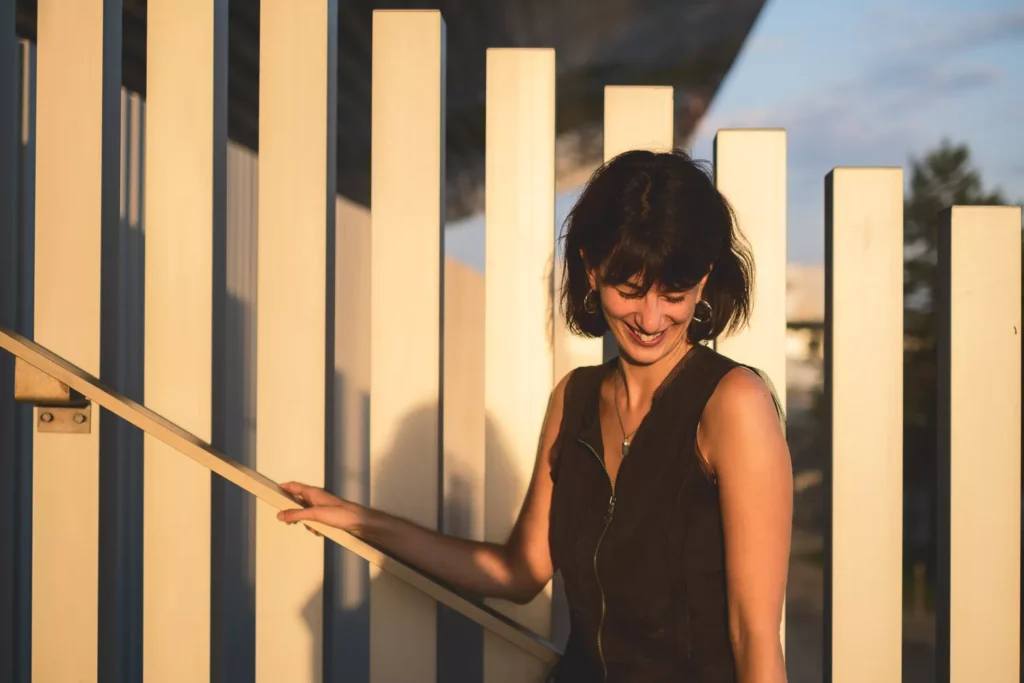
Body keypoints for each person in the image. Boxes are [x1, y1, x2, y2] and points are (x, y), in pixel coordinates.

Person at [277, 149, 793, 682]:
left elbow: (753, 636)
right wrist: (361, 520)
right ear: (591, 270)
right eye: (630, 290)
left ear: (704, 279)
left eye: (675, 294)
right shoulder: (574, 398)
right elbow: (519, 571)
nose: (650, 316)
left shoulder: (734, 404)